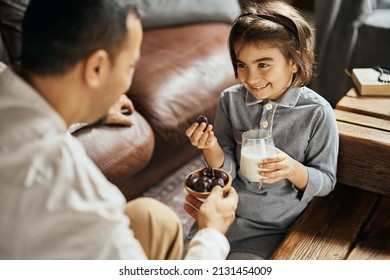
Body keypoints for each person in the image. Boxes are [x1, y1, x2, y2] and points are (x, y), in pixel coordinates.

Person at [0, 0, 238, 260]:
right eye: (129, 68)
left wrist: (86, 108)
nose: (125, 83)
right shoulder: (77, 193)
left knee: (152, 218)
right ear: (96, 68)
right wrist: (212, 233)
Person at [186, 0, 339, 259]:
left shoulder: (317, 113)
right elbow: (227, 169)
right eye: (242, 64)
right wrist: (210, 146)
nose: (251, 77)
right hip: (223, 214)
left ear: (294, 61)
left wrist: (293, 169)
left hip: (272, 228)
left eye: (263, 64)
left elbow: (326, 181)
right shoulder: (230, 101)